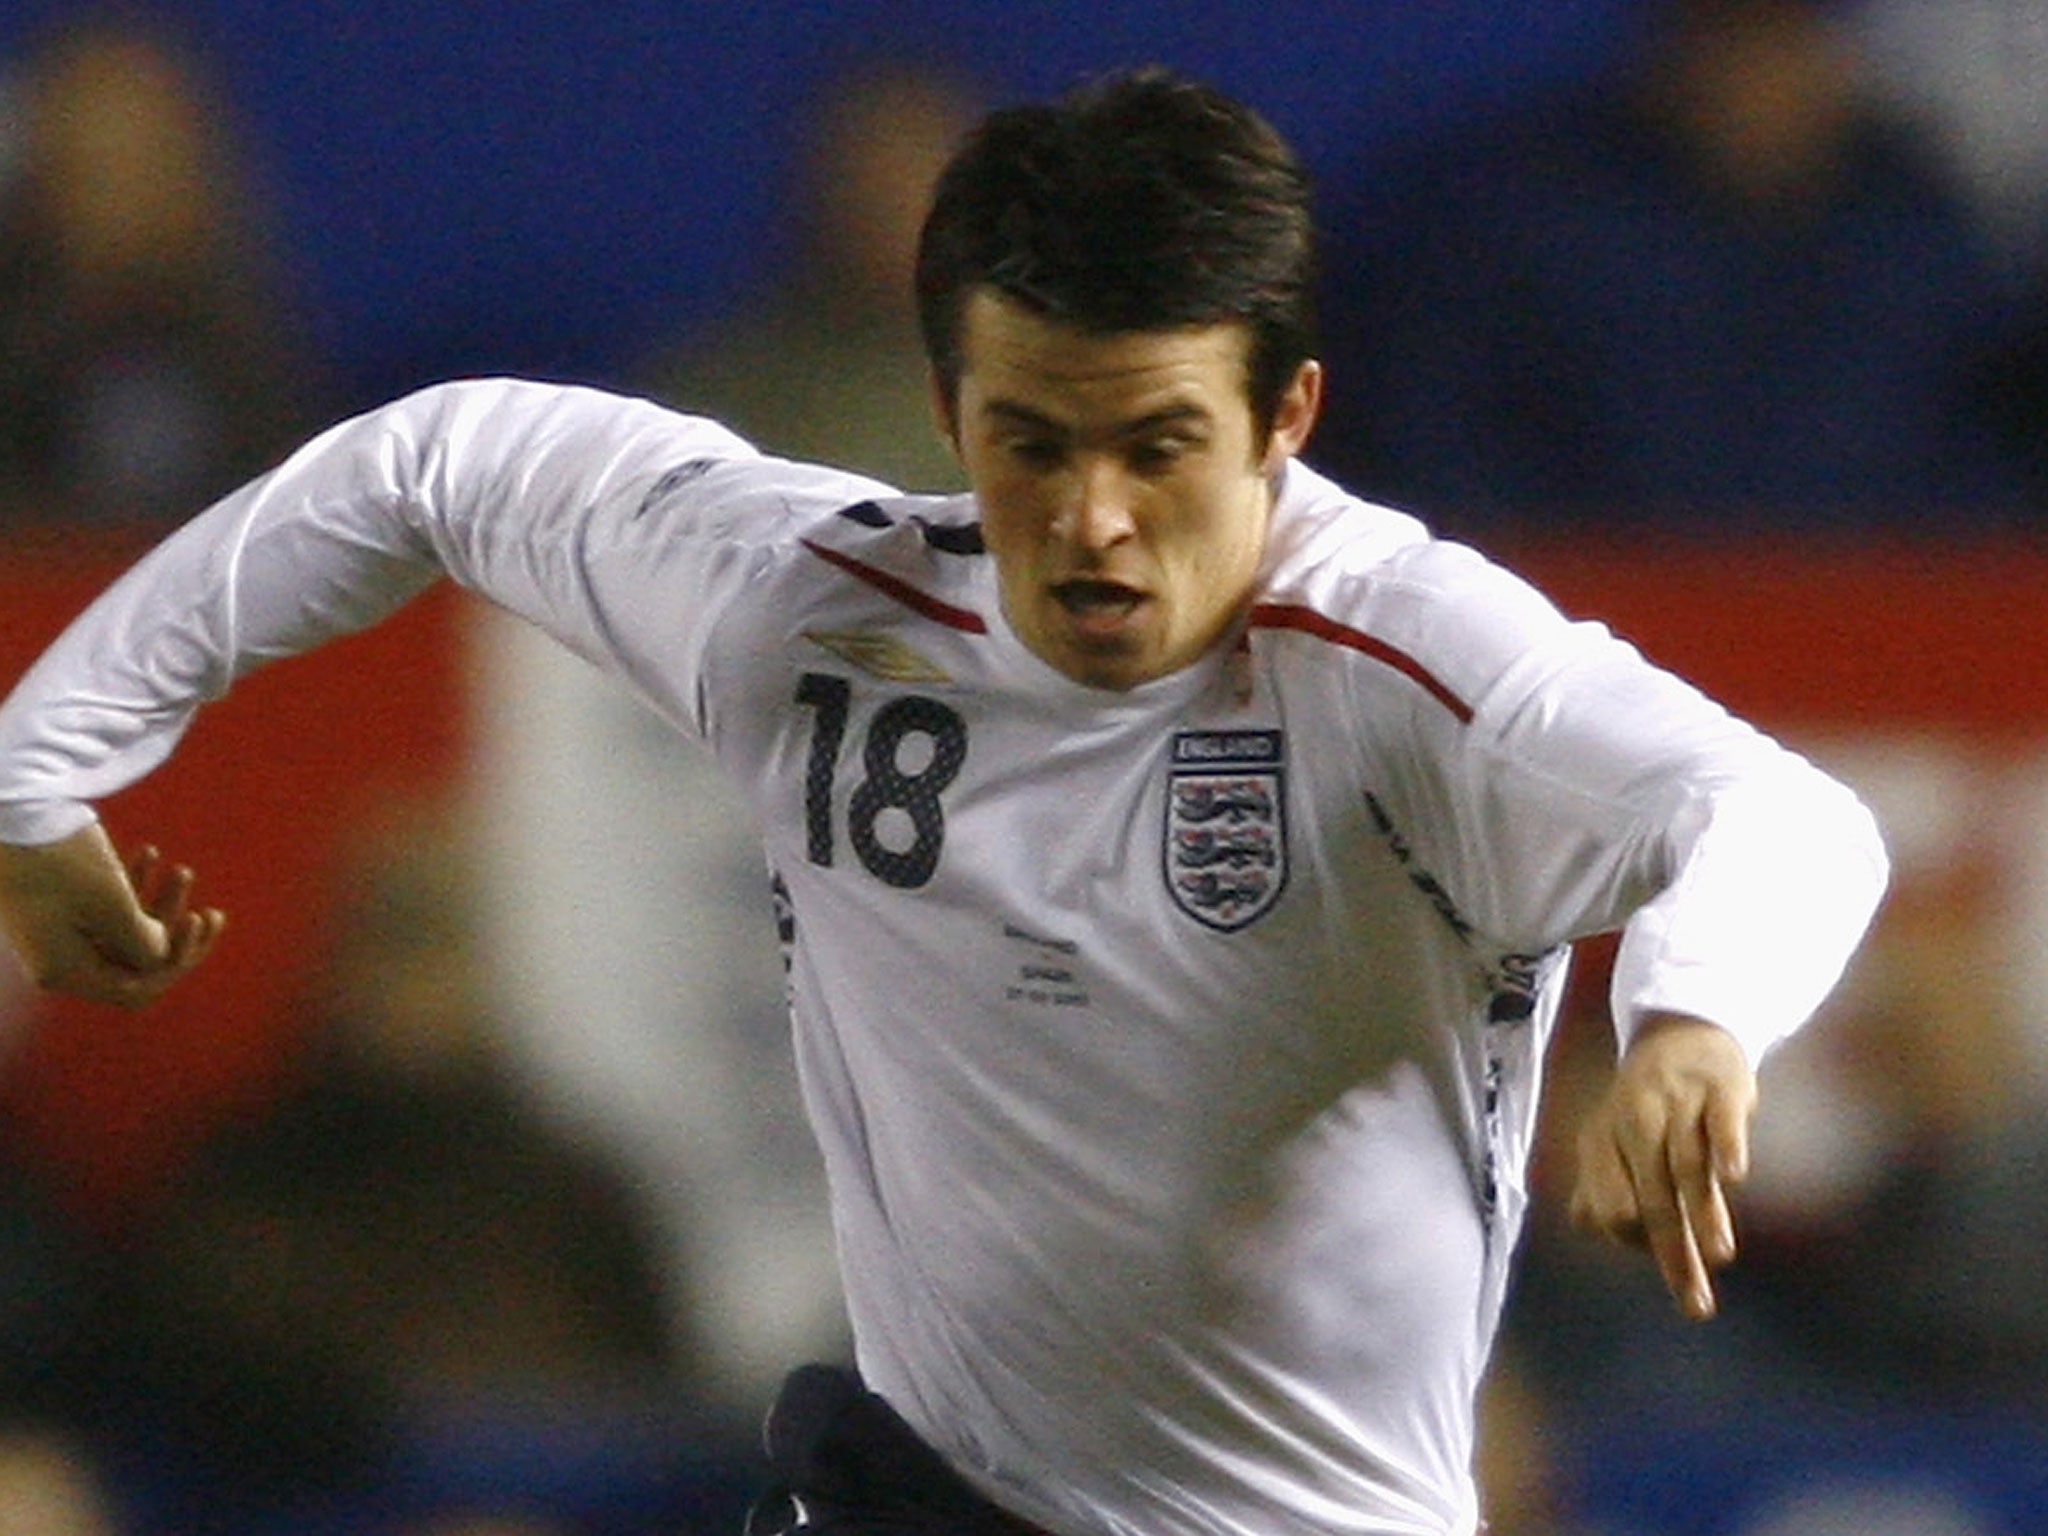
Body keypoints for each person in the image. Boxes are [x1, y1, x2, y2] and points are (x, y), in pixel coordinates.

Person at [0, 66, 1887, 1536]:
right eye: (1029, 443)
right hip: (925, 1490)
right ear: (945, 398)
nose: (1088, 520)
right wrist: (39, 774)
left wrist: (1691, 1024)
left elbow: (1781, 818)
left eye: (1160, 449)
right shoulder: (806, 605)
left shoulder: (1412, 673)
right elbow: (435, 461)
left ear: (1286, 416)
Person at [1313, 0, 2035, 541]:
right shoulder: (1513, 213)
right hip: (1584, 631)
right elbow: (1435, 447)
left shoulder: (1917, 221)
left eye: (1787, 46)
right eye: (1735, 46)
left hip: (1879, 641)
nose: (1761, 83)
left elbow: (1990, 453)